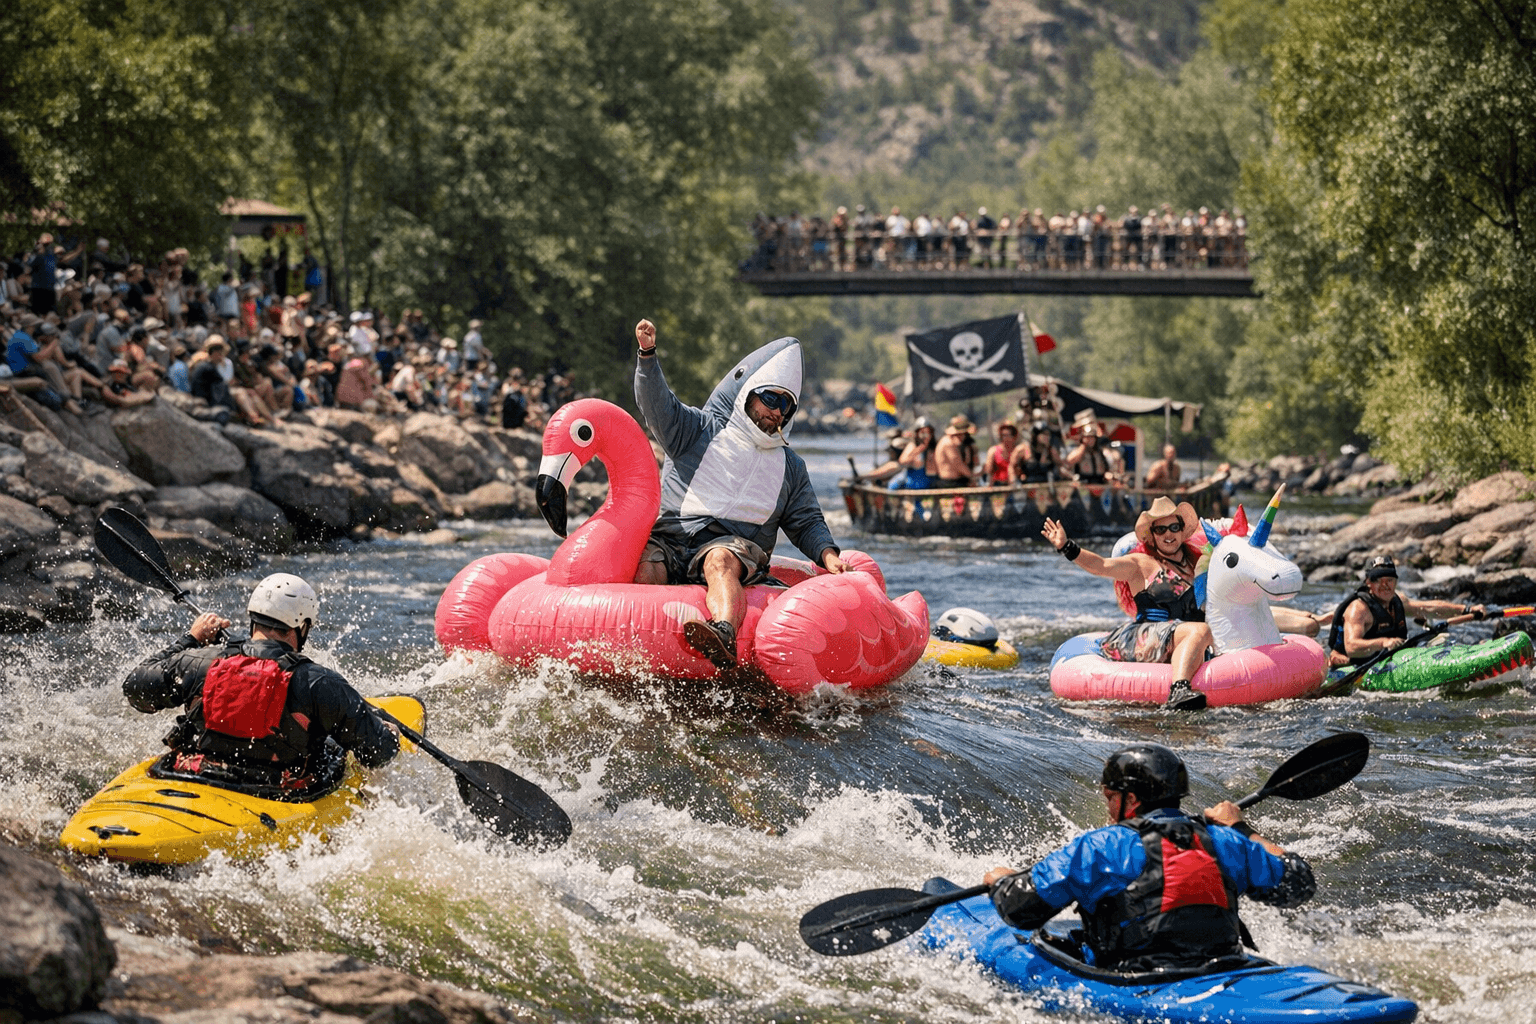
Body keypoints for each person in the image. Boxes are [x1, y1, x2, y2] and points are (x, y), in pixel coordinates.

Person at [631, 318, 846, 674]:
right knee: (647, 558)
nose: (776, 411)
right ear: (749, 394)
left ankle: (724, 631)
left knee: (719, 558)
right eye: (770, 398)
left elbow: (806, 520)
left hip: (734, 548)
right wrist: (648, 357)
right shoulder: (696, 429)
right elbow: (657, 405)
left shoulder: (790, 466)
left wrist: (828, 554)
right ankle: (639, 647)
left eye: (785, 406)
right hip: (673, 537)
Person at [983, 744, 1314, 972]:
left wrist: (1000, 884)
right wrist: (1241, 827)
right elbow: (1298, 882)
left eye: (1111, 798)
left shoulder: (1103, 846)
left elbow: (1021, 910)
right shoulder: (1226, 839)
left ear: (1132, 798)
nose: (1109, 809)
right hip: (1222, 968)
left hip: (1137, 979)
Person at [122, 573, 400, 797]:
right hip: (274, 791)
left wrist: (191, 639)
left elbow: (136, 689)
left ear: (253, 617)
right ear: (302, 627)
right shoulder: (321, 683)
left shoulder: (197, 663)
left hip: (196, 776)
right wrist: (390, 734)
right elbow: (377, 753)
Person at [1043, 497, 1214, 710]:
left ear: (1181, 530)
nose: (1168, 534)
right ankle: (1179, 690)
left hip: (1187, 636)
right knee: (1198, 630)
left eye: (1173, 527)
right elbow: (1101, 565)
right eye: (1161, 530)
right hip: (1148, 635)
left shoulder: (1198, 563)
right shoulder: (1140, 564)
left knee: (1203, 629)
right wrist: (1066, 546)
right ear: (1152, 536)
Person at [1326, 556, 1486, 667]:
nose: (1385, 585)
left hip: (1388, 656)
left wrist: (1466, 609)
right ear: (1368, 583)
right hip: (1351, 663)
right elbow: (1351, 647)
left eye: (1389, 580)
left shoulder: (1398, 601)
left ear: (1395, 581)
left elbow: (1429, 608)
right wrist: (1384, 643)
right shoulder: (1359, 608)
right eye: (1378, 580)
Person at [891, 418, 939, 489]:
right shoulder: (913, 446)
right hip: (913, 486)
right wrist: (920, 449)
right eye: (922, 432)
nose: (926, 435)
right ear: (917, 433)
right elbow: (902, 462)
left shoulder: (935, 447)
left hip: (930, 485)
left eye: (928, 432)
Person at [934, 414, 976, 486]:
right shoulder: (948, 443)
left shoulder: (950, 442)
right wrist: (972, 478)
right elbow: (958, 464)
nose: (963, 437)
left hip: (955, 481)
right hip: (950, 483)